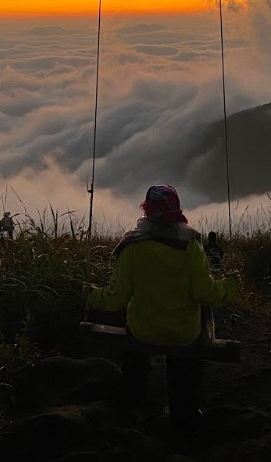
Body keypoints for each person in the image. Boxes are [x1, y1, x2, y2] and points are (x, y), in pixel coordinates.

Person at [85, 185, 238, 436]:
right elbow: (206, 294)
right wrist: (231, 284)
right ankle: (183, 415)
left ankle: (134, 404)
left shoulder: (133, 246)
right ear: (177, 211)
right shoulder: (191, 247)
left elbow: (114, 299)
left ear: (146, 211)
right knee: (186, 361)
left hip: (143, 329)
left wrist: (91, 294)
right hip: (183, 333)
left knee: (134, 352)